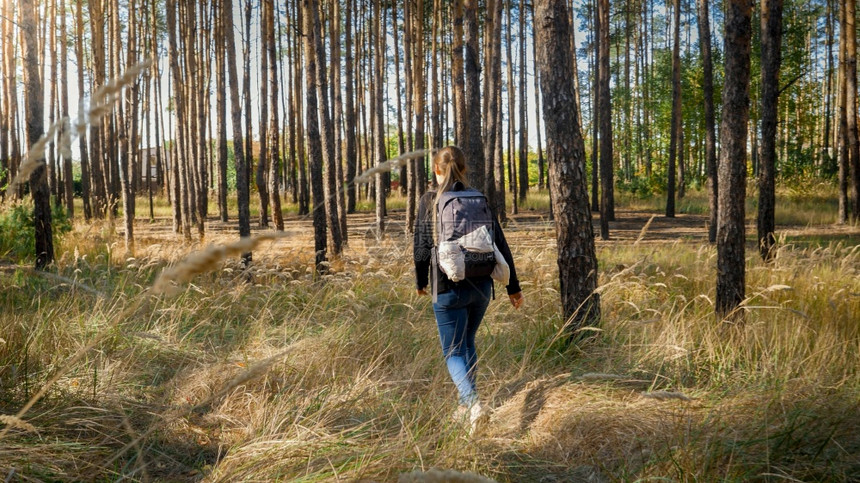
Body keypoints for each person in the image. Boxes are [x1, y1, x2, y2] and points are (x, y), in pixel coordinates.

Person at [413, 146, 524, 433]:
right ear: (464, 167)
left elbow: (421, 245)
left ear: (436, 169)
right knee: (468, 343)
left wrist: (421, 281)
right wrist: (513, 286)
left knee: (452, 351)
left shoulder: (429, 200)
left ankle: (473, 403)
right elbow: (499, 241)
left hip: (448, 284)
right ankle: (466, 409)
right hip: (483, 285)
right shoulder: (479, 197)